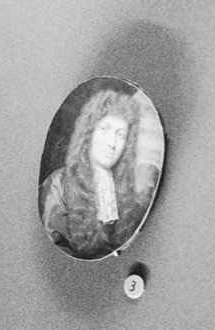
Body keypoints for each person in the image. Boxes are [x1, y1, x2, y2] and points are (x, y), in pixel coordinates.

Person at [40, 87, 157, 259]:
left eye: (120, 134)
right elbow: (59, 246)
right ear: (89, 132)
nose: (112, 143)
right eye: (105, 129)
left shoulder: (128, 186)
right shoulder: (58, 183)